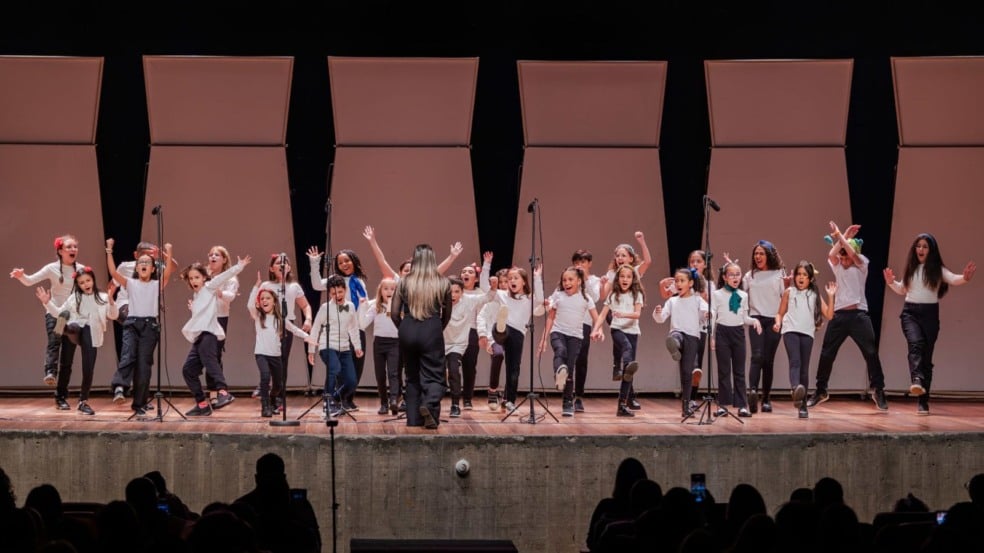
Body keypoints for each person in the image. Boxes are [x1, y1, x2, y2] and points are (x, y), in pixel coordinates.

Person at [884, 233, 975, 414]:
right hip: (910, 313)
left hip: (930, 315)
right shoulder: (911, 268)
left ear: (931, 250)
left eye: (925, 246)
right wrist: (891, 282)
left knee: (926, 359)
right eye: (919, 246)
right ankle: (916, 379)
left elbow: (953, 278)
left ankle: (923, 401)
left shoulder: (937, 270)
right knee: (915, 344)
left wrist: (965, 277)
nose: (921, 250)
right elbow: (902, 289)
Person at [808, 221, 889, 411]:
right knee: (827, 353)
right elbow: (831, 254)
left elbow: (853, 254)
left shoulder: (862, 266)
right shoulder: (838, 267)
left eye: (846, 258)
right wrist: (842, 234)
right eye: (842, 258)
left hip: (859, 316)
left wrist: (843, 237)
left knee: (870, 352)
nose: (843, 260)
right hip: (839, 316)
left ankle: (878, 389)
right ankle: (821, 390)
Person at [106, 238, 177, 416]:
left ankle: (139, 404)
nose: (144, 264)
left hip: (149, 327)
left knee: (144, 364)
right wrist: (109, 251)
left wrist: (169, 252)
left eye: (148, 262)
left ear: (153, 269)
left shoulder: (156, 284)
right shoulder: (130, 283)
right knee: (128, 354)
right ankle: (119, 386)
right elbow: (113, 273)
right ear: (136, 267)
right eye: (141, 262)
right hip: (132, 323)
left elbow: (168, 272)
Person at [34, 266, 118, 414]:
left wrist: (111, 302)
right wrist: (47, 303)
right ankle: (60, 329)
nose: (86, 284)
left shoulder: (103, 297)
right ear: (78, 285)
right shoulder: (74, 298)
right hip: (75, 329)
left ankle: (83, 401)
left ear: (93, 280)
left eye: (88, 280)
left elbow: (112, 316)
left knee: (88, 369)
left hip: (91, 334)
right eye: (81, 282)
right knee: (69, 322)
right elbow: (60, 312)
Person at [390, 244, 453, 428]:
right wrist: (436, 329)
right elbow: (447, 314)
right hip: (431, 327)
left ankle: (414, 419)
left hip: (408, 327)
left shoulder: (404, 282)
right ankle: (428, 404)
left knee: (412, 377)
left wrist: (404, 330)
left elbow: (394, 313)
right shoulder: (442, 282)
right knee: (435, 375)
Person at [179, 255, 250, 416]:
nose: (193, 280)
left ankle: (224, 392)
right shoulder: (197, 296)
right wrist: (194, 309)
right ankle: (202, 404)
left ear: (204, 278)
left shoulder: (209, 287)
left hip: (209, 335)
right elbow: (201, 314)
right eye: (191, 278)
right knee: (188, 370)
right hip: (199, 337)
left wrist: (239, 266)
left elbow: (224, 276)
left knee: (210, 361)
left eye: (197, 277)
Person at [10, 234, 84, 387]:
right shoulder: (52, 268)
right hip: (57, 313)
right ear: (60, 251)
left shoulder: (82, 269)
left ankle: (61, 396)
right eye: (69, 247)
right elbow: (30, 281)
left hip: (72, 317)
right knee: (55, 342)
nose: (73, 249)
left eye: (75, 247)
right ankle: (50, 372)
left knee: (67, 358)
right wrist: (21, 276)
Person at [481, 254, 545, 413]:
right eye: (510, 279)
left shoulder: (529, 299)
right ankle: (500, 327)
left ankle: (509, 400)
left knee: (514, 368)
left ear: (523, 281)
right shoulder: (502, 295)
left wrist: (537, 278)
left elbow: (541, 299)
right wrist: (486, 265)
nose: (512, 281)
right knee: (501, 329)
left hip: (518, 334)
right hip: (504, 329)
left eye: (515, 278)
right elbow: (484, 289)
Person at [773, 261, 836, 418]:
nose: (801, 278)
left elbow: (829, 315)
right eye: (799, 274)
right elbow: (779, 313)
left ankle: (803, 406)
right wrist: (778, 323)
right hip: (790, 331)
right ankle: (796, 389)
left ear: (810, 279)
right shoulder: (789, 292)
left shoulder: (814, 295)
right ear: (795, 276)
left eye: (805, 275)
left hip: (807, 333)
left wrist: (831, 296)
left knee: (804, 368)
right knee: (795, 361)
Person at [307, 247, 367, 410]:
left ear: (353, 261)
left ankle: (346, 398)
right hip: (334, 333)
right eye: (340, 262)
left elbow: (363, 306)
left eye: (347, 260)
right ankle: (334, 400)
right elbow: (317, 284)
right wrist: (314, 263)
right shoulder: (335, 279)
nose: (344, 264)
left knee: (355, 370)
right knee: (336, 368)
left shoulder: (359, 281)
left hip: (356, 327)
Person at [539, 266, 601, 417]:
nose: (566, 282)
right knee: (560, 351)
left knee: (570, 370)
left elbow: (596, 317)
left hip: (576, 337)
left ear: (579, 281)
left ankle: (567, 402)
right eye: (564, 280)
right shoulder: (558, 296)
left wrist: (598, 330)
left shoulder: (586, 298)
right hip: (558, 332)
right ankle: (558, 373)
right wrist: (543, 339)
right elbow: (551, 317)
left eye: (570, 279)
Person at [603, 232, 652, 410]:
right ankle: (617, 364)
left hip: (630, 317)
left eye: (623, 255)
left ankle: (628, 396)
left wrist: (642, 241)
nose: (619, 258)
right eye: (617, 255)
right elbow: (604, 297)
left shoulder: (635, 272)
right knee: (623, 345)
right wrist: (604, 284)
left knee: (630, 359)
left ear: (631, 258)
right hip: (615, 313)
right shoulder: (611, 273)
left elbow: (648, 261)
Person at [249, 274, 310, 417]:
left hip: (275, 355)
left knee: (278, 384)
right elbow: (250, 305)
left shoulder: (280, 319)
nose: (264, 301)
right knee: (265, 376)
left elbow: (294, 330)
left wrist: (308, 337)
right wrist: (256, 287)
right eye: (262, 298)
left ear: (274, 302)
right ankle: (265, 407)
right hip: (261, 354)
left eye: (268, 298)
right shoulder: (258, 317)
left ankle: (272, 400)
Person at [653, 267, 709, 417]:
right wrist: (658, 312)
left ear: (690, 283)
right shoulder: (672, 300)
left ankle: (686, 406)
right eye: (676, 281)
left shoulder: (697, 300)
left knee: (686, 372)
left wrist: (708, 314)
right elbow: (661, 318)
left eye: (682, 281)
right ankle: (675, 346)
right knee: (676, 336)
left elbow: (706, 315)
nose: (678, 284)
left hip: (693, 337)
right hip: (678, 332)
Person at [109, 241, 159, 403]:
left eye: (151, 256)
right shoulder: (125, 267)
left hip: (146, 316)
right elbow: (112, 284)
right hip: (126, 307)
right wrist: (106, 303)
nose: (148, 258)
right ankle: (120, 385)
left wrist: (164, 256)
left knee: (142, 359)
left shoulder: (155, 267)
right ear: (136, 256)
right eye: (145, 255)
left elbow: (171, 270)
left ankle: (140, 398)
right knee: (130, 351)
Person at [258, 254, 313, 402]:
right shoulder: (266, 286)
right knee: (268, 358)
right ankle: (265, 391)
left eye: (285, 263)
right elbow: (258, 307)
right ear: (271, 268)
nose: (282, 265)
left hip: (287, 326)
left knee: (282, 361)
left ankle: (278, 395)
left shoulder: (294, 287)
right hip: (269, 326)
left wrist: (308, 319)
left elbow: (305, 305)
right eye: (277, 263)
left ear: (288, 267)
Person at [591, 264, 644, 417]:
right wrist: (595, 329)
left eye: (628, 276)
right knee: (626, 349)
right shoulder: (613, 295)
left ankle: (621, 406)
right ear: (618, 279)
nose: (625, 279)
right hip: (617, 329)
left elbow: (637, 314)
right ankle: (627, 366)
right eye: (622, 276)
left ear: (633, 279)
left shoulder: (637, 294)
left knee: (628, 373)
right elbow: (602, 315)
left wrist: (623, 314)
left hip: (632, 331)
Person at [709, 261, 760, 418]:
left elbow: (744, 318)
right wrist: (711, 336)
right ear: (724, 277)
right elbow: (712, 316)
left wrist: (754, 321)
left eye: (738, 274)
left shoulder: (743, 295)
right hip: (722, 333)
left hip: (738, 333)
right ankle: (723, 405)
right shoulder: (717, 295)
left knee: (739, 371)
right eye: (731, 274)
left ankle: (742, 405)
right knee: (724, 371)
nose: (735, 277)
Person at [742, 240, 788, 414]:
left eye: (761, 253)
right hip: (756, 319)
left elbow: (785, 298)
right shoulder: (749, 275)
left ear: (769, 255)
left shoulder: (779, 274)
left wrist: (780, 319)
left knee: (768, 360)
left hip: (774, 320)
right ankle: (752, 393)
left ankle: (766, 398)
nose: (758, 256)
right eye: (756, 253)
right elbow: (740, 295)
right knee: (757, 356)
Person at [444, 275, 497, 417]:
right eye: (450, 292)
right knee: (436, 374)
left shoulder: (468, 301)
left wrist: (493, 287)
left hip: (457, 344)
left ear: (462, 292)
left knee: (454, 371)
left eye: (456, 292)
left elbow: (487, 298)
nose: (453, 295)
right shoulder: (439, 302)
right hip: (440, 343)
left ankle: (455, 405)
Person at [361, 277, 402, 415]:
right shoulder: (376, 306)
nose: (389, 291)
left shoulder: (400, 306)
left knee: (393, 372)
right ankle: (384, 403)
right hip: (379, 342)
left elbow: (395, 318)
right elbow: (364, 323)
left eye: (392, 288)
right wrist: (362, 307)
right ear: (381, 291)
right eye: (386, 288)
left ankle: (394, 400)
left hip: (395, 342)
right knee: (380, 374)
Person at [204, 246, 239, 399]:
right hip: (204, 318)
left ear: (224, 259)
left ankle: (218, 390)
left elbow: (231, 296)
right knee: (205, 354)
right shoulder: (204, 275)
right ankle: (214, 391)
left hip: (220, 317)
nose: (213, 257)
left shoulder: (230, 277)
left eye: (217, 255)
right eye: (210, 254)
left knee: (215, 354)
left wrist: (220, 293)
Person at [571, 249, 602, 413]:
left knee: (581, 361)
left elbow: (595, 297)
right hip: (568, 322)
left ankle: (578, 397)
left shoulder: (595, 280)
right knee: (568, 359)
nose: (579, 265)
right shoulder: (569, 278)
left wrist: (585, 279)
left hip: (584, 323)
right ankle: (567, 394)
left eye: (583, 262)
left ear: (589, 263)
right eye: (576, 262)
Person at [476, 267, 509, 410]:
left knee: (513, 366)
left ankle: (508, 397)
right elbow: (481, 317)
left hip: (511, 337)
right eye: (501, 282)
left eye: (506, 281)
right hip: (494, 337)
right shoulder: (493, 300)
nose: (503, 284)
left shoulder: (516, 300)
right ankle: (493, 390)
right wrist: (484, 335)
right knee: (498, 355)